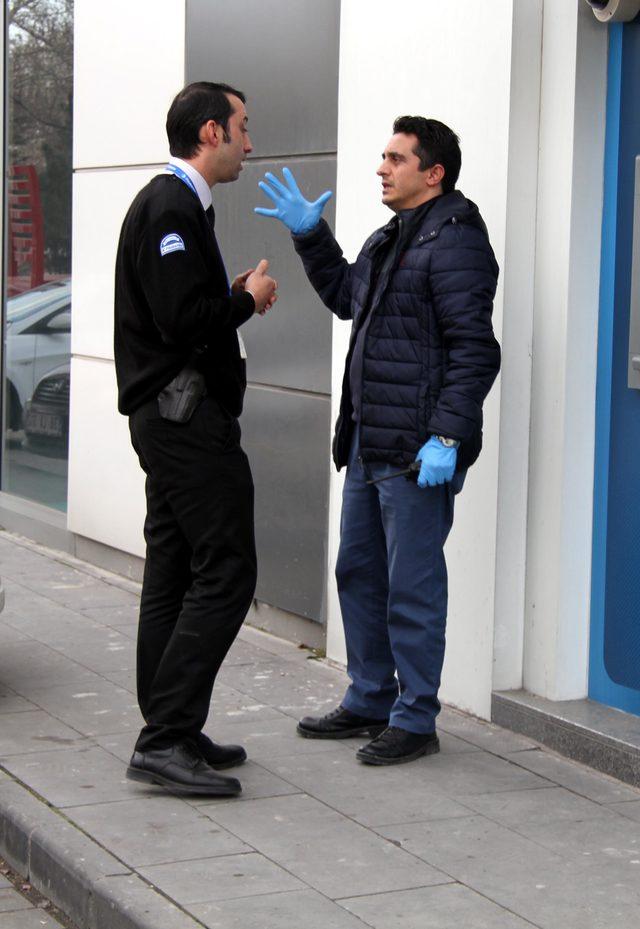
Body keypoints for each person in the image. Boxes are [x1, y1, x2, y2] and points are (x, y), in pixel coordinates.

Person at [255, 116, 500, 765]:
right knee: (359, 571)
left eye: (395, 158)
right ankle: (369, 696)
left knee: (412, 585)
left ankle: (415, 716)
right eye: (382, 157)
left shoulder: (456, 242)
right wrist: (311, 234)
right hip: (370, 440)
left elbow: (475, 350)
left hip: (418, 449)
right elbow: (346, 296)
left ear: (433, 171)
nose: (381, 168)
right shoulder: (391, 237)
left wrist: (448, 434)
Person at [114, 81, 277, 795]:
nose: (251, 142)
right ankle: (166, 735)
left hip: (169, 416)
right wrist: (247, 300)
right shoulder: (171, 205)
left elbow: (177, 306)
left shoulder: (178, 208)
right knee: (227, 568)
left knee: (175, 568)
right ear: (211, 132)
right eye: (243, 128)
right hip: (185, 420)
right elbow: (183, 320)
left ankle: (171, 724)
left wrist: (227, 293)